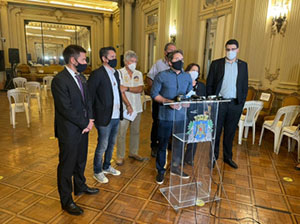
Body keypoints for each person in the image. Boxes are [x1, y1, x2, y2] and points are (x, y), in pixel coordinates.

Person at [51, 45, 99, 216]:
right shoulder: (60, 80)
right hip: (70, 130)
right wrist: (84, 123)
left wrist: (91, 119)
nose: (86, 62)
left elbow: (88, 101)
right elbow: (65, 108)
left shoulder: (81, 77)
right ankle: (66, 201)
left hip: (84, 128)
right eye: (84, 59)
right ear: (73, 60)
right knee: (67, 166)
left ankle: (80, 186)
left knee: (80, 161)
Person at [151, 50, 193, 184]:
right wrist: (167, 102)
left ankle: (175, 167)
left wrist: (188, 102)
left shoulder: (187, 77)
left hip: (181, 117)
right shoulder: (161, 76)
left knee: (179, 144)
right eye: (177, 59)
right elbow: (154, 94)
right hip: (165, 117)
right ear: (170, 62)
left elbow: (190, 94)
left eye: (182, 58)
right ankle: (160, 171)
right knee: (163, 144)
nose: (180, 61)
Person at [206, 39, 248, 169]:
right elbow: (210, 84)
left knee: (230, 132)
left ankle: (228, 157)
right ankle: (213, 157)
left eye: (233, 49)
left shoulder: (243, 65)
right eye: (228, 49)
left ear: (238, 50)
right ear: (225, 50)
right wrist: (211, 101)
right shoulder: (216, 64)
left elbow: (244, 85)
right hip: (219, 103)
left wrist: (241, 103)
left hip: (235, 104)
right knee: (216, 132)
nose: (230, 52)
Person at [88, 47, 122, 184]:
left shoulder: (116, 73)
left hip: (115, 114)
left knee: (111, 143)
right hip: (103, 116)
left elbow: (117, 93)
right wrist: (91, 116)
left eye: (115, 56)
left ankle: (107, 166)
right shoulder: (97, 74)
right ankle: (97, 171)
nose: (115, 59)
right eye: (112, 57)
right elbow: (90, 96)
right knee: (103, 144)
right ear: (104, 58)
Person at [116, 50, 148, 165]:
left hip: (137, 107)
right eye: (131, 61)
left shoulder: (138, 74)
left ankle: (133, 152)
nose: (134, 63)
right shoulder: (119, 73)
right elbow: (120, 91)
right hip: (125, 108)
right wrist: (128, 105)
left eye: (135, 61)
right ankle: (120, 156)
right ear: (125, 62)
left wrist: (128, 88)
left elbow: (140, 89)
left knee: (135, 131)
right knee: (122, 132)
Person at [147, 43, 176, 157]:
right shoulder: (158, 64)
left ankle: (168, 143)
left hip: (172, 100)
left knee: (170, 122)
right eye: (170, 51)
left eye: (174, 50)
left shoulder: (177, 64)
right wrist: (153, 90)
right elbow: (149, 77)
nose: (172, 53)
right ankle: (154, 145)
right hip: (159, 99)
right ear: (165, 52)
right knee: (157, 122)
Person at [183, 63, 206, 166]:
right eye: (193, 70)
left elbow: (204, 100)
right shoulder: (183, 82)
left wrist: (205, 112)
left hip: (197, 114)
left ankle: (189, 158)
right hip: (184, 112)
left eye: (197, 71)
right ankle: (179, 158)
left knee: (194, 137)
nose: (195, 73)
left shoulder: (201, 86)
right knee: (183, 136)